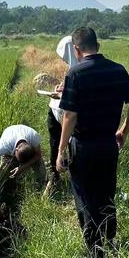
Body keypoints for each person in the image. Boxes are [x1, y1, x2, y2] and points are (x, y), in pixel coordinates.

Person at [57, 27, 129, 258]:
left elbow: (70, 116)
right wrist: (123, 130)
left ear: (76, 49)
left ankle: (95, 252)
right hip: (108, 143)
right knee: (106, 192)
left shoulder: (75, 73)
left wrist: (61, 150)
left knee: (85, 196)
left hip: (83, 146)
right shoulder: (117, 69)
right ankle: (109, 240)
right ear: (98, 45)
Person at [46, 36, 79, 192]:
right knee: (55, 141)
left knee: (68, 144)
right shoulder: (72, 68)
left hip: (67, 114)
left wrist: (61, 95)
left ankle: (71, 176)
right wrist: (61, 87)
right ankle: (55, 176)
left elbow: (76, 98)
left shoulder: (79, 70)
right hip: (57, 111)